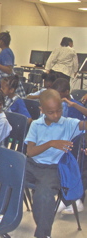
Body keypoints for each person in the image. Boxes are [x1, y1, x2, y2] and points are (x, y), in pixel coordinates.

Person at [25, 89, 87, 238]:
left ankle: (43, 234)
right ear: (42, 110)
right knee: (6, 175)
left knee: (44, 195)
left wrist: (75, 106)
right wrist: (51, 143)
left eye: (59, 110)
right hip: (32, 164)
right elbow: (30, 152)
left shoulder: (69, 124)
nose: (56, 115)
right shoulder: (36, 125)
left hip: (52, 169)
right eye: (51, 112)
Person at [0, 31, 26, 99]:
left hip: (6, 81)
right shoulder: (4, 52)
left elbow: (9, 70)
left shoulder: (6, 52)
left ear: (2, 41)